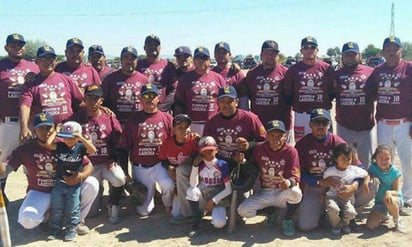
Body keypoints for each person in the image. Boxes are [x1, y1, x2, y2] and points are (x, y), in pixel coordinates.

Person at [0, 113, 98, 236]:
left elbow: (88, 165)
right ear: (34, 130)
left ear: (54, 128)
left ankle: (76, 221)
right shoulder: (26, 149)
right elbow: (5, 170)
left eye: (48, 127)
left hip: (65, 187)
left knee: (92, 184)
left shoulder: (64, 143)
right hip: (40, 191)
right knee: (27, 220)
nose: (45, 131)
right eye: (41, 128)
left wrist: (80, 176)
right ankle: (49, 219)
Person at [366, 36, 412, 212]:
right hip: (384, 123)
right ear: (383, 52)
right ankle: (387, 196)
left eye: (395, 49)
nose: (391, 52)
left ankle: (407, 198)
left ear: (401, 51)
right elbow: (368, 91)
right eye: (388, 49)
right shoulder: (378, 71)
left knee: (408, 162)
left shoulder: (409, 68)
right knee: (385, 162)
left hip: (404, 123)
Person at [117, 84, 174, 216]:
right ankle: (152, 194)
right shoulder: (133, 120)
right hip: (140, 167)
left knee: (168, 184)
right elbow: (123, 148)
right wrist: (126, 173)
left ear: (158, 98)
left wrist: (172, 166)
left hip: (160, 165)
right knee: (144, 211)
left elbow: (175, 143)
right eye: (146, 96)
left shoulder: (167, 118)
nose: (150, 99)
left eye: (153, 95)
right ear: (140, 99)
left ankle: (168, 203)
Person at [237, 120, 302, 237]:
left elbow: (295, 175)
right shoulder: (259, 149)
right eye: (272, 136)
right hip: (265, 191)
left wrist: (288, 182)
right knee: (243, 211)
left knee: (296, 193)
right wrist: (243, 161)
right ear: (267, 136)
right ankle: (271, 212)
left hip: (282, 192)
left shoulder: (291, 151)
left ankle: (287, 219)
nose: (276, 140)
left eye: (279, 136)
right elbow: (252, 168)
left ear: (285, 137)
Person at [71, 85, 125, 223]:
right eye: (89, 98)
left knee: (119, 178)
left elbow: (119, 141)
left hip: (106, 162)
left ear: (101, 100)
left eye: (96, 98)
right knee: (92, 213)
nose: (92, 102)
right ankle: (98, 194)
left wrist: (113, 158)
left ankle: (113, 203)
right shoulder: (76, 118)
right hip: (87, 165)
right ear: (84, 99)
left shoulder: (109, 118)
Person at [0, 33, 39, 203]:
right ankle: (1, 195)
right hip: (8, 122)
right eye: (13, 45)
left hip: (31, 122)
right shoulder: (1, 66)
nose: (18, 48)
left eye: (20, 45)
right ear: (6, 48)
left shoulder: (34, 66)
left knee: (34, 160)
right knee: (3, 162)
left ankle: (34, 196)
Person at [19, 45, 84, 142]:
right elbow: (25, 106)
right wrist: (23, 127)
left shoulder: (67, 80)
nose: (48, 62)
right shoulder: (31, 83)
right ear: (37, 61)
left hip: (66, 131)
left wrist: (101, 109)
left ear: (56, 61)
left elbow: (80, 102)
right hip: (43, 133)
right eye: (43, 59)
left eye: (51, 59)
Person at [45, 120, 96, 241]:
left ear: (77, 137)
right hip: (60, 182)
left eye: (72, 138)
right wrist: (56, 132)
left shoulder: (80, 147)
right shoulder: (61, 146)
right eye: (66, 138)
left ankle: (71, 229)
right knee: (57, 207)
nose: (69, 140)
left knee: (73, 208)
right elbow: (48, 144)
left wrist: (81, 138)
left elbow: (93, 150)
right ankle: (55, 229)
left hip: (75, 184)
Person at [238, 40, 292, 142]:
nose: (269, 56)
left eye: (273, 54)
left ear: (278, 56)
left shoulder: (286, 73)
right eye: (266, 53)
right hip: (259, 124)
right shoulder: (252, 74)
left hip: (281, 124)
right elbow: (246, 97)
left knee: (282, 155)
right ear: (261, 55)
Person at [284, 36, 335, 142]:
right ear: (301, 50)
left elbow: (332, 92)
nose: (309, 50)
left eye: (312, 47)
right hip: (302, 115)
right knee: (301, 145)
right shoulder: (293, 70)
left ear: (317, 50)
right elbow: (288, 94)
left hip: (322, 115)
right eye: (306, 47)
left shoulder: (327, 69)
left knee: (326, 146)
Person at [333, 42, 375, 167]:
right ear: (342, 57)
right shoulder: (336, 74)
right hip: (344, 126)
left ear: (359, 56)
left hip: (366, 127)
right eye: (347, 55)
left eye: (353, 54)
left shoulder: (371, 72)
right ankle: (348, 187)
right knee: (345, 162)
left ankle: (365, 186)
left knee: (366, 163)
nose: (350, 57)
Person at [186, 136, 232, 238]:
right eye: (205, 151)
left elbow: (228, 189)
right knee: (191, 191)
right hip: (203, 194)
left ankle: (216, 214)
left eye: (210, 150)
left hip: (217, 196)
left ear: (216, 150)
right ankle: (196, 223)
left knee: (219, 224)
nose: (208, 154)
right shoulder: (200, 164)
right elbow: (193, 184)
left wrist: (214, 200)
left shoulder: (222, 164)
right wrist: (194, 166)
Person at [174, 46, 226, 135]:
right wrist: (179, 124)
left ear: (209, 60)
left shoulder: (218, 78)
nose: (201, 61)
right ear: (194, 60)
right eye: (198, 58)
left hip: (213, 123)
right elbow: (179, 103)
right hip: (191, 124)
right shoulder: (185, 79)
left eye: (204, 58)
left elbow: (224, 102)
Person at [158, 114, 199, 223]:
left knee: (181, 171)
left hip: (188, 178)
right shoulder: (167, 142)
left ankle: (192, 212)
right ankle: (169, 205)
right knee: (175, 212)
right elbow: (162, 159)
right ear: (174, 130)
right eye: (180, 127)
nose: (184, 130)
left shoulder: (194, 141)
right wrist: (169, 166)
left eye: (186, 127)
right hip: (174, 177)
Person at [323, 143, 369, 235]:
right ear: (336, 159)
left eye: (349, 159)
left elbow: (366, 174)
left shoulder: (354, 170)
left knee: (351, 213)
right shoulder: (329, 171)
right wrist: (322, 195)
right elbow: (324, 183)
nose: (346, 162)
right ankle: (336, 224)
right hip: (333, 197)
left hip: (347, 199)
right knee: (332, 208)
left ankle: (345, 223)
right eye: (343, 159)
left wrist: (365, 184)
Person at [365, 145, 407, 233]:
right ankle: (385, 215)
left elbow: (396, 191)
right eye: (381, 158)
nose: (384, 161)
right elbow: (367, 175)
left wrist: (389, 193)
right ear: (375, 157)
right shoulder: (372, 168)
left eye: (387, 158)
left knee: (388, 199)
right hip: (380, 202)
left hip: (394, 200)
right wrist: (371, 177)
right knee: (370, 226)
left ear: (391, 158)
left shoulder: (395, 172)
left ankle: (397, 220)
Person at [102, 46, 148, 124]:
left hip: (137, 124)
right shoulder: (110, 79)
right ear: (121, 60)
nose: (129, 61)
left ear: (137, 61)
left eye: (132, 59)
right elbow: (102, 101)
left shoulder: (144, 80)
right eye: (126, 58)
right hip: (116, 123)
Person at [136, 35, 178, 112]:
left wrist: (162, 108)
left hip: (161, 109)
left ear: (160, 48)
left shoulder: (168, 65)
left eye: (155, 45)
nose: (153, 47)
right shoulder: (138, 65)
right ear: (144, 48)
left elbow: (173, 89)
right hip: (141, 110)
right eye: (150, 45)